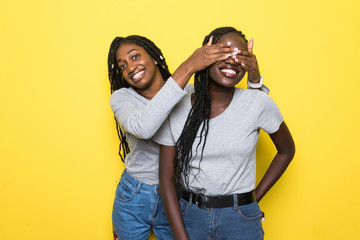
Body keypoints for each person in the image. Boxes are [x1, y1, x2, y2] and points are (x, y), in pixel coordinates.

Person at [154, 27, 296, 240]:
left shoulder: (258, 103)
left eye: (240, 55)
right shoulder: (177, 105)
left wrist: (253, 199)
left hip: (240, 220)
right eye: (224, 52)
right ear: (205, 55)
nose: (232, 60)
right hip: (190, 215)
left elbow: (287, 151)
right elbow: (166, 180)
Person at [107, 34, 239, 240]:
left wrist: (255, 80)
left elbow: (242, 111)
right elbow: (143, 128)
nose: (130, 68)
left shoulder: (189, 93)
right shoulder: (122, 98)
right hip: (134, 195)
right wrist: (188, 66)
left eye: (134, 57)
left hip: (177, 195)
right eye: (122, 66)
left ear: (154, 58)